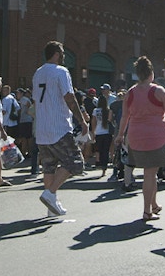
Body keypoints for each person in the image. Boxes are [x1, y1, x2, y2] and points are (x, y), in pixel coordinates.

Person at [114, 56, 165, 221]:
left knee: (150, 172)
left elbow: (124, 117)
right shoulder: (158, 91)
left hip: (136, 137)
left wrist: (119, 135)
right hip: (156, 137)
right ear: (151, 73)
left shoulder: (130, 93)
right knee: (150, 174)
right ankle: (147, 211)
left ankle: (154, 204)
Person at [32, 41, 90, 216]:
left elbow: (36, 100)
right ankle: (50, 194)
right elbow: (69, 97)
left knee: (49, 167)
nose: (64, 56)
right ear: (56, 53)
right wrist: (82, 121)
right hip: (59, 126)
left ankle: (51, 206)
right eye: (62, 52)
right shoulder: (61, 72)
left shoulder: (38, 73)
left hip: (42, 128)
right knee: (75, 163)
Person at [91, 91, 113, 177]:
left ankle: (98, 162)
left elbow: (94, 122)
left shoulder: (95, 110)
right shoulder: (108, 110)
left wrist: (93, 132)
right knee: (105, 150)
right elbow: (110, 121)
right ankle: (104, 167)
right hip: (107, 133)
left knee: (99, 149)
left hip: (99, 132)